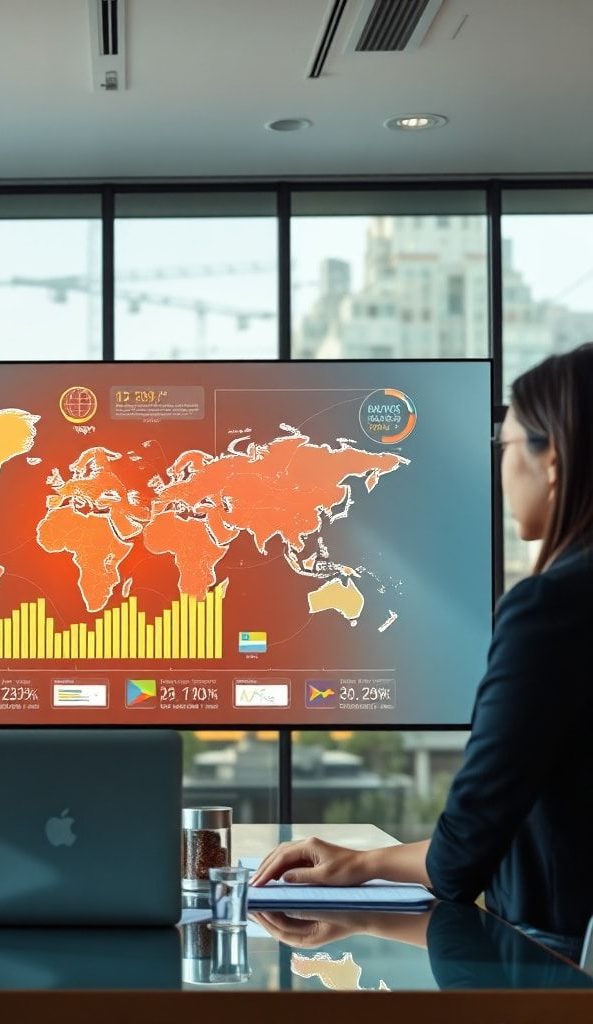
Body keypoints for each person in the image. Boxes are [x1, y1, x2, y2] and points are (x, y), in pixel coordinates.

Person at [251, 343, 593, 958]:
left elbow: (463, 860)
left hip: (555, 963)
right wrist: (361, 863)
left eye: (506, 446)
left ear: (554, 460)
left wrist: (359, 870)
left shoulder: (549, 611)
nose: (501, 468)